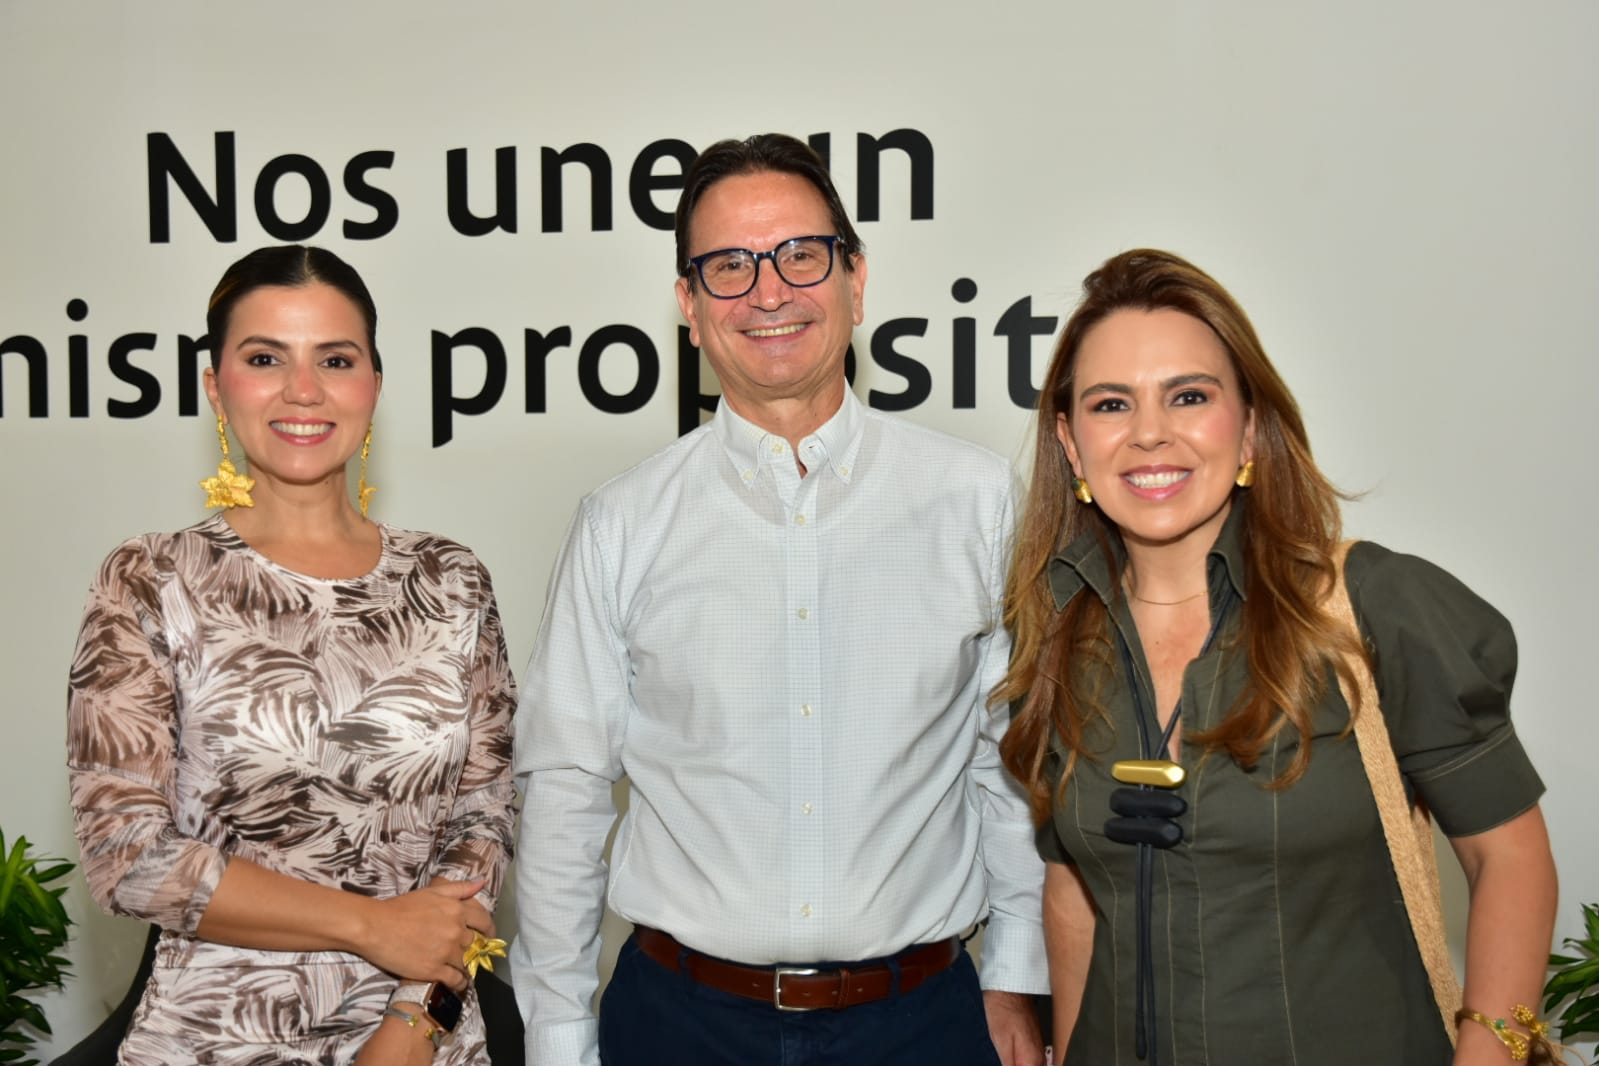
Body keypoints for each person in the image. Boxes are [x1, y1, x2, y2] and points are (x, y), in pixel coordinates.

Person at [510, 133, 1048, 1066]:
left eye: (800, 255)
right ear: (687, 303)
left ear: (855, 277)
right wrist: (558, 1035)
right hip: (677, 1027)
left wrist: (1014, 972)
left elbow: (1004, 764)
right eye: (727, 266)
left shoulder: (978, 501)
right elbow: (565, 789)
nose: (768, 292)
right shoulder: (620, 523)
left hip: (924, 1024)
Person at [996, 248, 1559, 1064]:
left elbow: (1507, 855)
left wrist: (1491, 1052)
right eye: (1110, 403)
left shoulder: (1374, 606)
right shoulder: (1052, 636)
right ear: (1071, 445)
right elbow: (1076, 900)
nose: (1149, 432)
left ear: (1250, 424)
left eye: (1188, 396)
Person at [67, 245, 517, 1066]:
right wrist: (371, 925)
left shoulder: (451, 578)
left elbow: (485, 825)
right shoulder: (151, 578)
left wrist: (415, 1024)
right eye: (264, 357)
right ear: (214, 386)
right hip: (210, 1041)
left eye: (335, 360)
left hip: (427, 1046)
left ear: (374, 386)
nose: (302, 390)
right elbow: (127, 857)